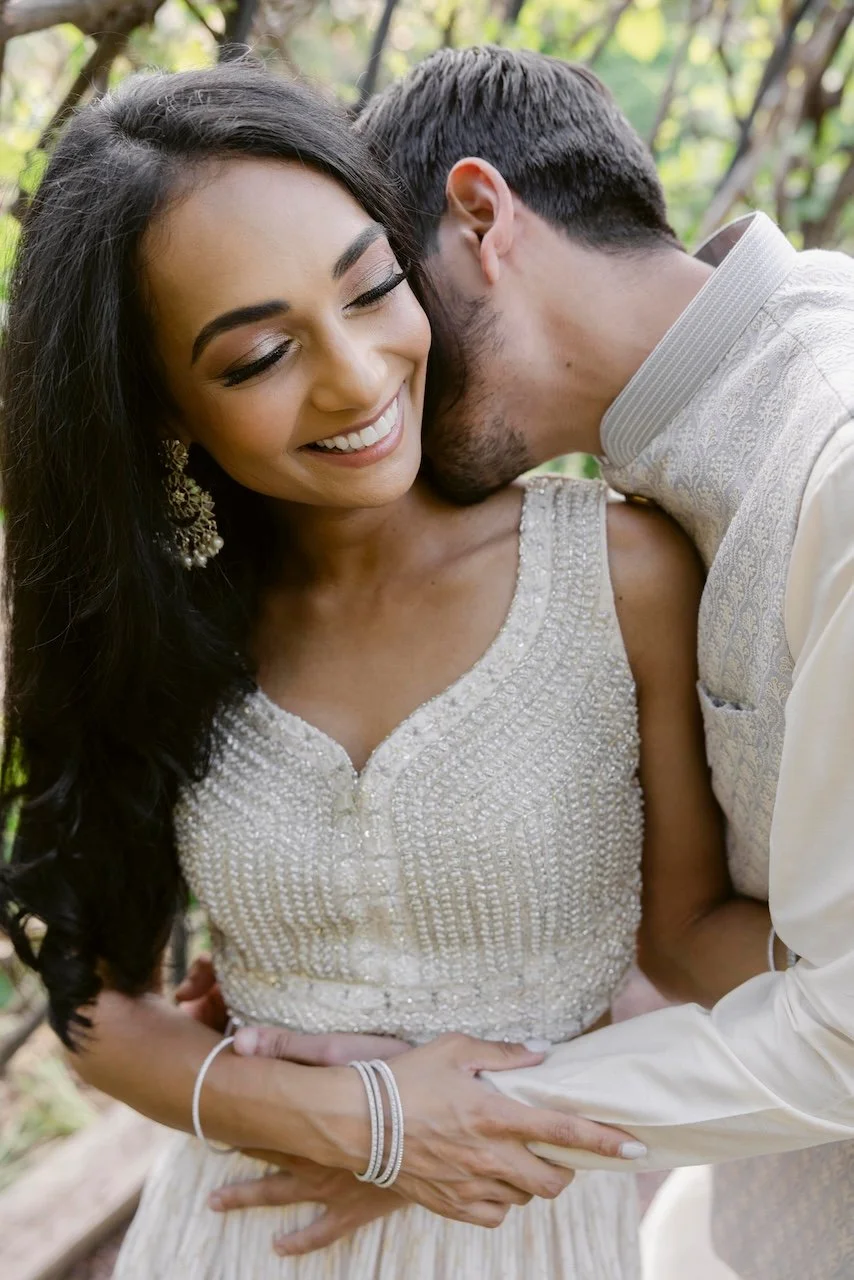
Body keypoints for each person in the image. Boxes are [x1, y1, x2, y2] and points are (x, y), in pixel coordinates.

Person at [0, 63, 780, 1280]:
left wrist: (442, 1127)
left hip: (519, 1231)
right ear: (163, 413)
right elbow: (93, 1002)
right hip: (236, 1232)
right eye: (259, 356)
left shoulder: (617, 572)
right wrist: (357, 1122)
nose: (358, 378)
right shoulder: (168, 631)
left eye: (371, 288)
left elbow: (686, 942)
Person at [221, 45, 853, 1280]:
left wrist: (413, 1117)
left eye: (377, 295)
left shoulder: (827, 463)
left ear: (478, 217)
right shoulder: (692, 445)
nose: (374, 368)